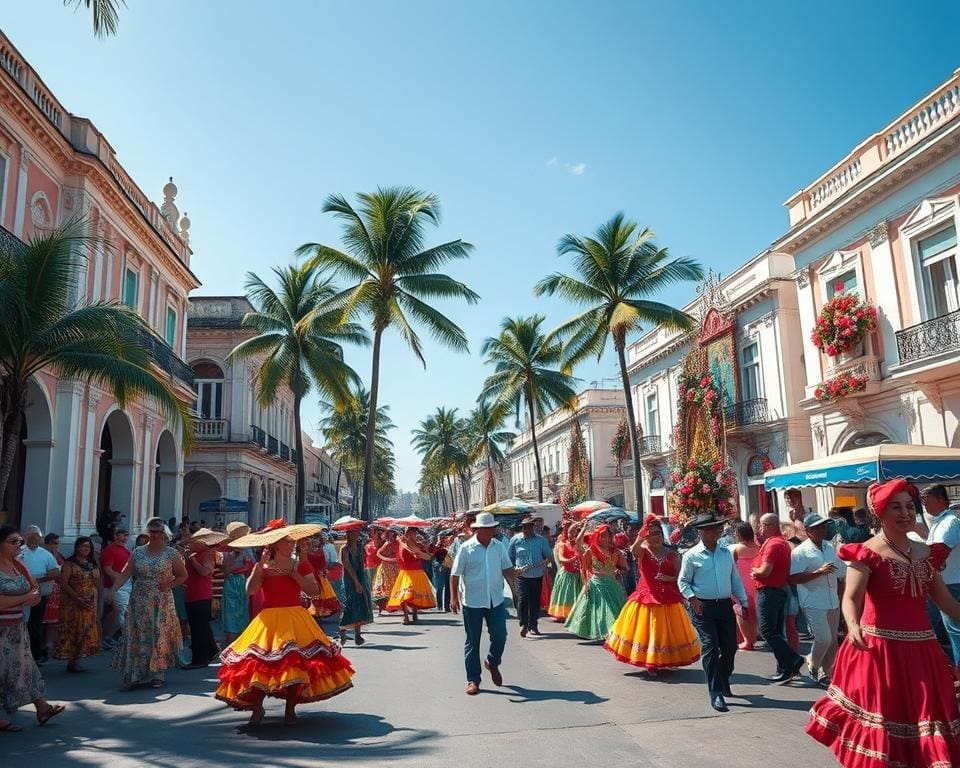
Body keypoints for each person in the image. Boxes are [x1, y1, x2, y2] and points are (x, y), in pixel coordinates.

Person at [807, 478, 960, 766]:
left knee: (924, 721)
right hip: (880, 652)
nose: (905, 513)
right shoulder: (868, 552)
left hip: (922, 654)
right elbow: (851, 598)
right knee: (887, 723)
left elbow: (948, 603)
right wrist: (852, 626)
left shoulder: (925, 553)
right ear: (880, 513)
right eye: (895, 507)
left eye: (909, 507)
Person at [215, 521, 354, 731]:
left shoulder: (299, 564)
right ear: (275, 544)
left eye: (290, 541)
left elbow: (314, 591)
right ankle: (257, 708)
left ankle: (290, 709)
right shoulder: (262, 566)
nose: (291, 544)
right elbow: (250, 591)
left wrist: (295, 576)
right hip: (268, 620)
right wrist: (259, 570)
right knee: (260, 664)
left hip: (295, 617)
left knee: (295, 664)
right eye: (286, 541)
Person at [606, 514, 700, 674]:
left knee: (666, 632)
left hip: (667, 599)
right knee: (650, 631)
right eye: (651, 534)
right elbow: (633, 550)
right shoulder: (643, 552)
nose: (655, 537)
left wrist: (669, 578)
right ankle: (651, 662)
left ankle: (665, 659)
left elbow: (681, 577)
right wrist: (641, 534)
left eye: (658, 533)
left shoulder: (673, 555)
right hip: (646, 598)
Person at [678, 512, 749, 713]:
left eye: (716, 528)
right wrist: (692, 598)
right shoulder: (691, 555)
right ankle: (716, 692)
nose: (713, 532)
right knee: (710, 646)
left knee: (730, 648)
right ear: (700, 532)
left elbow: (735, 579)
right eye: (709, 529)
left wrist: (743, 601)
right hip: (703, 606)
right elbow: (683, 581)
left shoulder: (726, 553)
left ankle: (723, 678)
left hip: (724, 605)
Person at [108, 517, 187, 690]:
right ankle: (134, 673)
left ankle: (158, 673)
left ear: (163, 534)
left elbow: (183, 575)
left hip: (161, 599)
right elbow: (125, 573)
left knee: (158, 634)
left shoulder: (171, 553)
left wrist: (170, 584)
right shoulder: (138, 552)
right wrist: (114, 590)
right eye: (152, 531)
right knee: (137, 634)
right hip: (140, 597)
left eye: (158, 532)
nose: (155, 535)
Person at [0, 525, 65, 730]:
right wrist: (25, 598)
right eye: (13, 542)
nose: (19, 545)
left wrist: (31, 598)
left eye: (20, 541)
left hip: (17, 627)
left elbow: (34, 589)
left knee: (26, 668)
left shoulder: (18, 565)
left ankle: (42, 707)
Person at [450, 512, 516, 696]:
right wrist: (453, 598)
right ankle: (473, 679)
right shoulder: (466, 548)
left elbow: (508, 569)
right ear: (479, 530)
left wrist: (515, 589)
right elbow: (455, 574)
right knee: (473, 641)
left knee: (500, 635)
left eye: (494, 528)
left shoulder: (498, 547)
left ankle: (492, 662)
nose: (493, 531)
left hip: (495, 599)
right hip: (472, 601)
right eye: (489, 528)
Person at [789, 513, 845, 688]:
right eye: (818, 527)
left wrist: (841, 596)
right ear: (808, 531)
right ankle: (813, 661)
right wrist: (819, 572)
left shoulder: (829, 547)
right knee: (823, 639)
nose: (823, 530)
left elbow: (841, 573)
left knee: (833, 641)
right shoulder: (800, 552)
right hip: (813, 601)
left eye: (824, 526)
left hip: (832, 599)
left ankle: (826, 674)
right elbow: (793, 578)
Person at [751, 513, 805, 683]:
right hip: (778, 591)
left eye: (762, 525)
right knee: (776, 632)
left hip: (770, 591)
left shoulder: (774, 544)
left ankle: (793, 659)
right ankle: (785, 667)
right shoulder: (780, 543)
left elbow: (765, 570)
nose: (760, 529)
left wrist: (755, 572)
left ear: (771, 526)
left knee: (768, 631)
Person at [564, 523, 627, 640]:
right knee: (604, 610)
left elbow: (624, 567)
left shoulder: (614, 551)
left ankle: (613, 632)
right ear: (597, 536)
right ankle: (608, 632)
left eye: (607, 535)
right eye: (602, 536)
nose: (605, 538)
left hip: (612, 584)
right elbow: (583, 566)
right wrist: (586, 584)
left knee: (614, 609)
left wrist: (619, 563)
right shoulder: (590, 551)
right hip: (597, 583)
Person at [922, 483, 960, 666]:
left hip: (951, 584)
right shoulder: (939, 521)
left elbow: (939, 553)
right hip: (942, 583)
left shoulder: (949, 522)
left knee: (954, 631)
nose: (925, 506)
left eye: (927, 501)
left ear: (939, 500)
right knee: (940, 629)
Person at [53, 537, 101, 672]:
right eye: (82, 546)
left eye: (88, 547)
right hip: (72, 602)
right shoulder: (69, 564)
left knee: (85, 629)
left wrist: (94, 599)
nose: (85, 549)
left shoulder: (92, 564)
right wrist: (77, 597)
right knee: (73, 629)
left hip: (88, 601)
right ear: (77, 547)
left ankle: (78, 659)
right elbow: (63, 583)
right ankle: (71, 660)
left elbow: (97, 583)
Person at [182, 528, 226, 669]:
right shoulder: (194, 554)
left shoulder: (208, 554)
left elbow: (205, 572)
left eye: (193, 542)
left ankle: (200, 659)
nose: (190, 544)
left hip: (201, 595)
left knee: (198, 629)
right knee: (202, 626)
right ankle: (212, 649)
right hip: (192, 594)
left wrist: (192, 559)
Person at [507, 516, 554, 637]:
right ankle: (523, 624)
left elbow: (549, 555)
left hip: (536, 575)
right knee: (523, 599)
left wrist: (545, 563)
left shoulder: (541, 540)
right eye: (524, 527)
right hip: (521, 575)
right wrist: (513, 569)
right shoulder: (515, 540)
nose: (526, 530)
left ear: (533, 528)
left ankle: (533, 625)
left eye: (528, 527)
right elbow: (509, 557)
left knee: (534, 601)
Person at [19, 525, 59, 664]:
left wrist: (37, 579)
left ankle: (35, 655)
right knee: (22, 623)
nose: (33, 538)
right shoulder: (19, 552)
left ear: (40, 538)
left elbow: (55, 572)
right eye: (30, 535)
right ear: (24, 536)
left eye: (36, 535)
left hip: (40, 594)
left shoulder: (45, 554)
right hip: (20, 594)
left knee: (35, 624)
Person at [387, 527, 437, 623]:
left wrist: (422, 552)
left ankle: (414, 613)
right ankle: (406, 615)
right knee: (404, 594)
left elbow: (428, 557)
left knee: (415, 594)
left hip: (417, 572)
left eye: (415, 533)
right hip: (406, 572)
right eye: (412, 533)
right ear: (408, 534)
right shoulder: (402, 544)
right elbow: (400, 555)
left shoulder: (419, 545)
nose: (414, 535)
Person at [221, 523, 255, 644]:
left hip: (234, 581)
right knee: (238, 610)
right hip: (237, 581)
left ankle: (234, 640)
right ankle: (238, 640)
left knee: (237, 610)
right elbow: (250, 567)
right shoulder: (231, 550)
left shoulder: (226, 548)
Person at [339, 528, 374, 645]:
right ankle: (342, 630)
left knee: (361, 603)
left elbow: (363, 563)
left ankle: (358, 634)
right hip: (350, 580)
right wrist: (356, 582)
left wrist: (363, 581)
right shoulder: (345, 549)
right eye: (351, 533)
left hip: (362, 577)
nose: (354, 535)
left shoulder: (360, 548)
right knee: (351, 604)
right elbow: (347, 566)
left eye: (355, 532)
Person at [728, 522, 760, 650]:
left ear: (739, 534)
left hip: (742, 583)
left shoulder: (735, 549)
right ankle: (754, 635)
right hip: (756, 582)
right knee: (755, 611)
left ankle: (748, 640)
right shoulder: (759, 547)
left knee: (741, 611)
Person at [99, 528, 131, 649]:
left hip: (127, 585)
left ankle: (108, 636)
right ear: (115, 536)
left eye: (126, 535)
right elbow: (108, 569)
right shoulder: (109, 550)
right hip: (113, 586)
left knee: (122, 612)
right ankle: (106, 637)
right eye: (122, 535)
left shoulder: (126, 551)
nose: (125, 538)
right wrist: (120, 579)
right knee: (120, 611)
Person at [547, 522, 582, 622]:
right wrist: (572, 559)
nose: (573, 534)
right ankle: (564, 614)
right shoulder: (563, 545)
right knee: (566, 595)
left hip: (576, 575)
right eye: (571, 532)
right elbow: (561, 559)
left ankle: (575, 613)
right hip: (566, 574)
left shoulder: (578, 545)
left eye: (575, 532)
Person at [40, 533, 65, 654]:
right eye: (53, 543)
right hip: (46, 588)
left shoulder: (58, 554)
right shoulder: (43, 555)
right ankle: (41, 644)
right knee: (43, 619)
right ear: (47, 544)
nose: (56, 546)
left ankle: (49, 644)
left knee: (54, 620)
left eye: (57, 543)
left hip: (56, 590)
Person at [372, 529, 401, 614]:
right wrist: (387, 559)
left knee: (395, 587)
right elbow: (378, 553)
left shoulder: (398, 543)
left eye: (393, 535)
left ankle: (395, 605)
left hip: (395, 568)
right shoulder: (386, 543)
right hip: (385, 568)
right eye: (390, 535)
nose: (392, 536)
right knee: (383, 587)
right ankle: (383, 608)